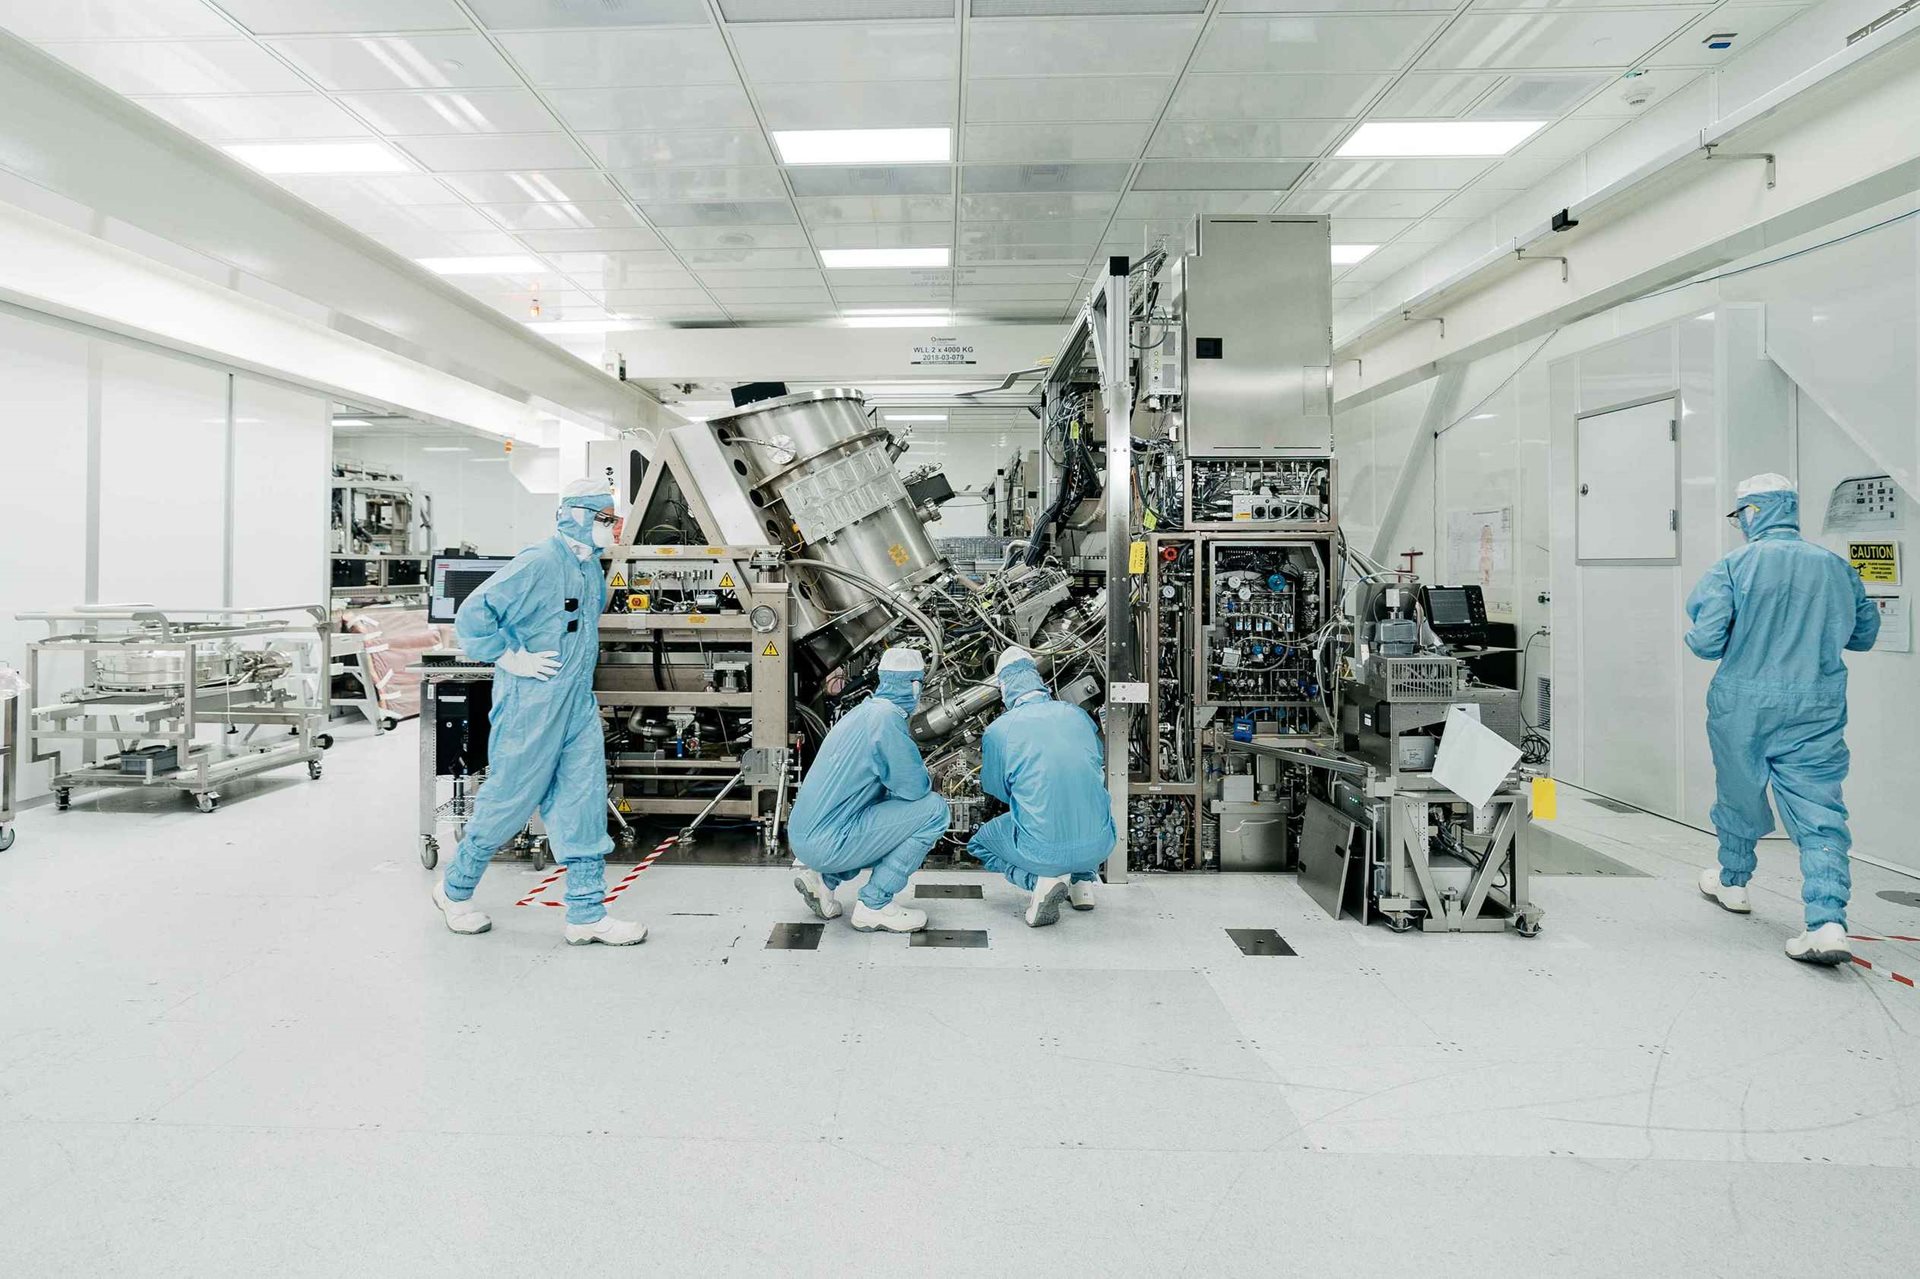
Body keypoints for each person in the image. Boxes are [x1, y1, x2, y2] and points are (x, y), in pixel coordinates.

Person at [430, 478, 646, 947]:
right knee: (508, 801)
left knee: (584, 803)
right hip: (531, 703)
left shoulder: (590, 568)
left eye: (614, 520)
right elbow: (474, 612)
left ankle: (587, 913)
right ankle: (455, 890)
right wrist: (509, 657)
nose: (611, 528)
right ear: (577, 517)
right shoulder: (540, 560)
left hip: (575, 702)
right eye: (605, 520)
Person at [1686, 473, 1879, 966]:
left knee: (1738, 792)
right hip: (1817, 703)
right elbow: (1863, 635)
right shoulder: (1835, 566)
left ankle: (1733, 882)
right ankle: (1827, 921)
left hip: (1744, 703)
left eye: (1739, 516)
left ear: (1751, 513)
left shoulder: (1734, 565)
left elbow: (1706, 642)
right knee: (1821, 809)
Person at [789, 647, 949, 934]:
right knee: (934, 811)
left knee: (889, 813)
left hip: (805, 835)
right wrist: (931, 778)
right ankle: (874, 905)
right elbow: (913, 790)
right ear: (914, 686)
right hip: (827, 841)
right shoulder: (887, 719)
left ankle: (824, 880)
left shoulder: (863, 711)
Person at [969, 646, 1117, 927]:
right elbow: (1095, 760)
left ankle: (1040, 882)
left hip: (1043, 850)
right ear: (1038, 680)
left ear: (1003, 686)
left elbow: (997, 790)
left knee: (980, 843)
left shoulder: (1000, 730)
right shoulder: (1074, 713)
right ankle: (1082, 886)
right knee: (1079, 802)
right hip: (1102, 845)